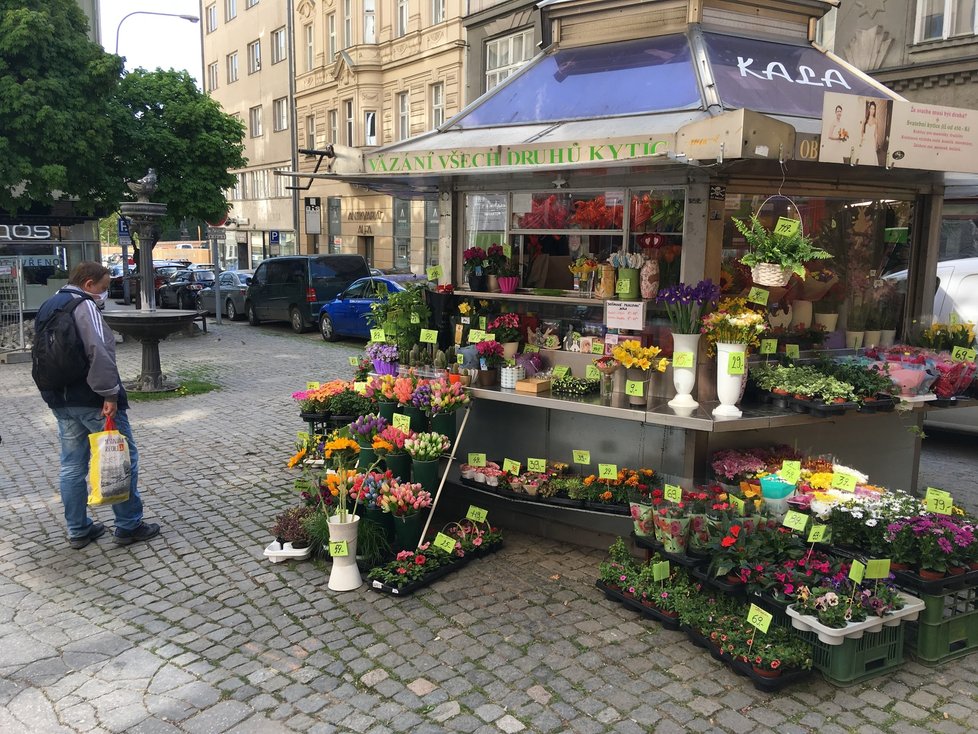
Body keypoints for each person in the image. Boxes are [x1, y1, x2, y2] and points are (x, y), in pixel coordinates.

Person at [35, 262, 160, 549]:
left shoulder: (49, 305)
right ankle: (129, 525)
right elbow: (99, 352)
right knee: (121, 458)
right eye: (103, 288)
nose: (104, 294)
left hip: (60, 398)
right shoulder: (84, 305)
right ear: (89, 283)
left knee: (72, 465)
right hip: (93, 399)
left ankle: (78, 530)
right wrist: (110, 395)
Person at [857, 101, 880, 166]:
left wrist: (875, 145)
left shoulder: (876, 120)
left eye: (874, 109)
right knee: (864, 157)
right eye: (871, 108)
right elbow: (862, 131)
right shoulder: (865, 119)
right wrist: (862, 139)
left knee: (871, 157)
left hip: (872, 141)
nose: (872, 110)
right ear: (869, 109)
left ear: (875, 110)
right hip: (866, 141)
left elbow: (876, 134)